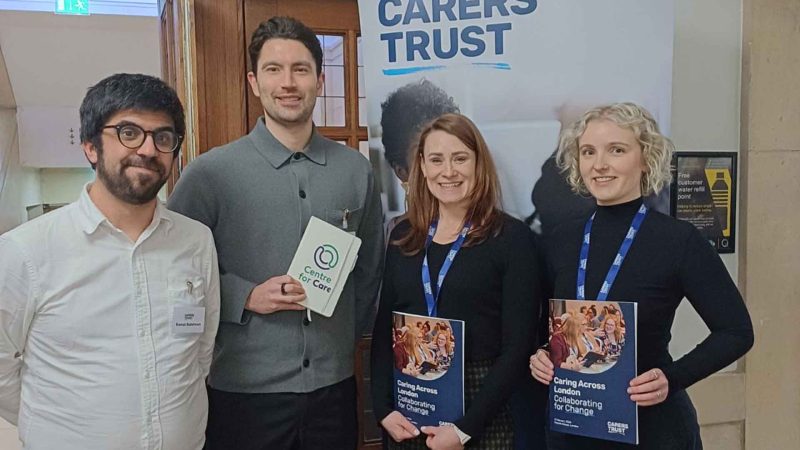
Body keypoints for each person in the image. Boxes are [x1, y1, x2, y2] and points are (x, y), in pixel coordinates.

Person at [167, 16, 383, 450]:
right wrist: (245, 296)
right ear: (254, 82)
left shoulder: (355, 170)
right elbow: (173, 273)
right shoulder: (209, 174)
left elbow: (369, 272)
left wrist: (338, 338)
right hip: (244, 395)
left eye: (300, 69)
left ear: (320, 80)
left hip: (334, 391)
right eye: (273, 69)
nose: (288, 82)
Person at [0, 73, 220, 449]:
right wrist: (62, 426)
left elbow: (201, 351)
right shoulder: (26, 251)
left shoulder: (195, 240)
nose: (148, 149)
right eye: (128, 132)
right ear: (90, 146)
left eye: (163, 137)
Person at [529, 102, 754, 449]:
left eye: (616, 150)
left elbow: (736, 332)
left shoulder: (678, 240)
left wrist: (672, 378)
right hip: (573, 426)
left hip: (652, 429)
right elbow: (544, 324)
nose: (599, 164)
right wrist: (542, 354)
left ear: (646, 158)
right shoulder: (561, 239)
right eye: (588, 152)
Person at [371, 113, 540, 449]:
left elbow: (518, 346)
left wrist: (464, 429)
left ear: (479, 164)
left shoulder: (511, 238)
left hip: (480, 409)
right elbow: (384, 329)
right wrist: (384, 408)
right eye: (436, 160)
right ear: (422, 166)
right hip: (409, 407)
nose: (448, 171)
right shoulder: (403, 236)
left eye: (460, 158)